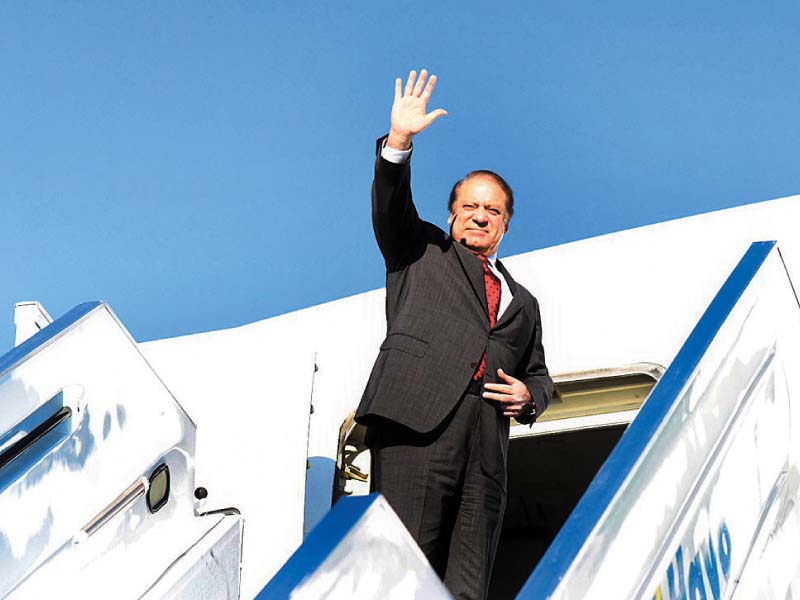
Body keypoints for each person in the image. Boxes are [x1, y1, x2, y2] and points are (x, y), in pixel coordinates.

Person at [355, 69, 553, 600]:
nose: (480, 217)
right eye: (470, 206)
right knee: (402, 572)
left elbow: (539, 374)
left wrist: (530, 395)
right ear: (451, 215)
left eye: (493, 210)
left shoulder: (524, 303)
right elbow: (389, 205)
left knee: (468, 585)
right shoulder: (420, 251)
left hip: (486, 449)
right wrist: (399, 142)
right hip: (418, 426)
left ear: (506, 225)